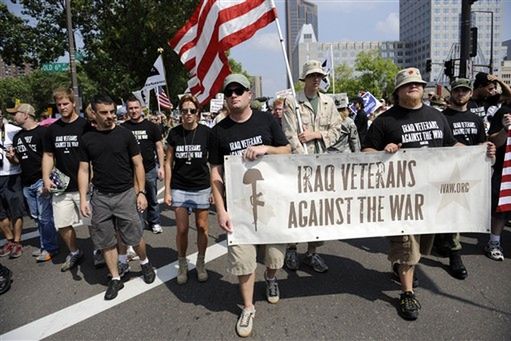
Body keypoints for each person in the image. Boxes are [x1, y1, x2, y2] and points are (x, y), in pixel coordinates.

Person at [363, 68, 463, 321]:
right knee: (408, 246)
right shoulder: (385, 121)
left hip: (432, 195)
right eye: (408, 84)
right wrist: (384, 152)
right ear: (398, 91)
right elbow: (364, 152)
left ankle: (401, 267)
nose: (414, 86)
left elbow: (452, 147)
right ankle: (407, 294)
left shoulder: (438, 116)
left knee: (420, 246)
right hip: (400, 197)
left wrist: (481, 152)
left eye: (417, 83)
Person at [209, 74, 290, 337]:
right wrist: (220, 209)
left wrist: (266, 148)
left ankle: (271, 278)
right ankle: (247, 307)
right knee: (244, 262)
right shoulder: (218, 131)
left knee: (275, 257)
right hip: (238, 207)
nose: (233, 95)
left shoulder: (267, 120)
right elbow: (216, 173)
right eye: (229, 92)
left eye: (239, 90)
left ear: (249, 95)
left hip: (272, 203)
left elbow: (287, 150)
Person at [78, 94, 156, 301]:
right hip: (100, 198)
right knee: (105, 241)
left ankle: (145, 263)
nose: (111, 116)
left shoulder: (125, 135)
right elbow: (84, 170)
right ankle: (115, 277)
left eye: (113, 111)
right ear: (94, 113)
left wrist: (140, 192)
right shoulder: (86, 139)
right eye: (104, 113)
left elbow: (138, 164)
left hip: (126, 194)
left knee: (134, 235)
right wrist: (83, 199)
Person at [282, 59, 342, 273]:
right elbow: (289, 134)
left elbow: (337, 130)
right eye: (312, 76)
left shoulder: (329, 102)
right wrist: (304, 160)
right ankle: (291, 248)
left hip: (323, 165)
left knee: (319, 213)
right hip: (299, 166)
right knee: (297, 210)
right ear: (304, 79)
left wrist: (317, 135)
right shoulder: (292, 102)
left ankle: (311, 252)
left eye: (320, 76)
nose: (317, 79)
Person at [440, 79, 487, 278]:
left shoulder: (476, 119)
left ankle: (454, 253)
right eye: (457, 90)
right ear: (452, 93)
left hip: (469, 173)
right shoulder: (441, 117)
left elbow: (482, 144)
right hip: (445, 172)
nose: (461, 94)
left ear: (470, 94)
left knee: (457, 214)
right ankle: (450, 248)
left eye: (465, 91)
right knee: (445, 212)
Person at [164, 94, 211, 284]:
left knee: (202, 226)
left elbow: (215, 162)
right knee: (182, 229)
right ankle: (182, 263)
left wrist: (217, 191)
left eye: (192, 110)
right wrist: (167, 190)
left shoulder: (206, 133)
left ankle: (201, 262)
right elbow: (168, 163)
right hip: (180, 186)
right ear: (180, 113)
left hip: (201, 186)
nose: (188, 114)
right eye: (185, 111)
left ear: (198, 112)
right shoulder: (174, 133)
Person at [42, 88, 89, 271]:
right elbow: (47, 155)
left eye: (65, 103)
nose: (62, 107)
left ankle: (99, 251)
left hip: (85, 185)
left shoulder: (85, 125)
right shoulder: (52, 129)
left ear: (73, 103)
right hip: (61, 185)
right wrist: (46, 178)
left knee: (93, 222)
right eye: (59, 104)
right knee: (62, 223)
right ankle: (75, 252)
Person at [8, 103, 59, 262]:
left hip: (40, 180)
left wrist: (47, 180)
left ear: (26, 115)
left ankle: (51, 248)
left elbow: (50, 156)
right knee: (37, 217)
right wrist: (12, 158)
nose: (13, 116)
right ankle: (45, 245)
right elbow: (19, 161)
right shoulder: (17, 136)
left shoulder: (43, 132)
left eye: (16, 113)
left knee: (45, 217)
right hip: (26, 182)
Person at [122, 96, 165, 234]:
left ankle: (155, 222)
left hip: (150, 169)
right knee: (134, 200)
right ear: (127, 110)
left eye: (136, 108)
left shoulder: (152, 127)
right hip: (130, 172)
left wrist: (161, 167)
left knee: (152, 198)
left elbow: (159, 147)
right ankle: (139, 223)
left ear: (141, 109)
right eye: (131, 108)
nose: (134, 111)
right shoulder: (123, 128)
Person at [485, 97, 511, 261]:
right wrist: (505, 129)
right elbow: (492, 141)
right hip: (505, 169)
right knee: (502, 209)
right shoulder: (504, 111)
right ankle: (494, 242)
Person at [0, 108, 25, 259]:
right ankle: (9, 240)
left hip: (11, 176)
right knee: (0, 213)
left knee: (16, 210)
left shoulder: (13, 130)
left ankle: (17, 242)